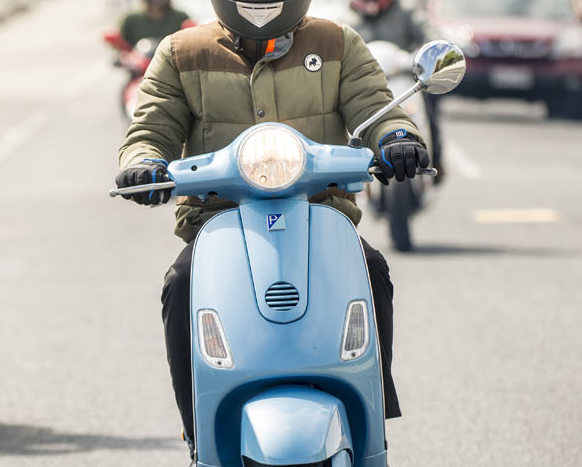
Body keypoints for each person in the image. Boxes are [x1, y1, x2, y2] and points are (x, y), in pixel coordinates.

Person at [113, 0, 429, 459]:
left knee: (372, 268)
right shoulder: (182, 51)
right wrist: (142, 163)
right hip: (218, 220)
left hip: (321, 212)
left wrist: (398, 138)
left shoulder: (338, 42)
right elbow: (151, 127)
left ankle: (371, 414)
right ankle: (200, 433)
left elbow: (378, 108)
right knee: (180, 286)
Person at [348, 0, 447, 180]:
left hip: (404, 78)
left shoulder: (407, 12)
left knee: (430, 104)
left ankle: (437, 160)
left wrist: (435, 51)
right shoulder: (348, 18)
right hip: (363, 84)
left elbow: (431, 33)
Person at [119, 0, 192, 47]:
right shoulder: (131, 20)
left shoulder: (181, 18)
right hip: (140, 68)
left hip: (172, 68)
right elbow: (123, 48)